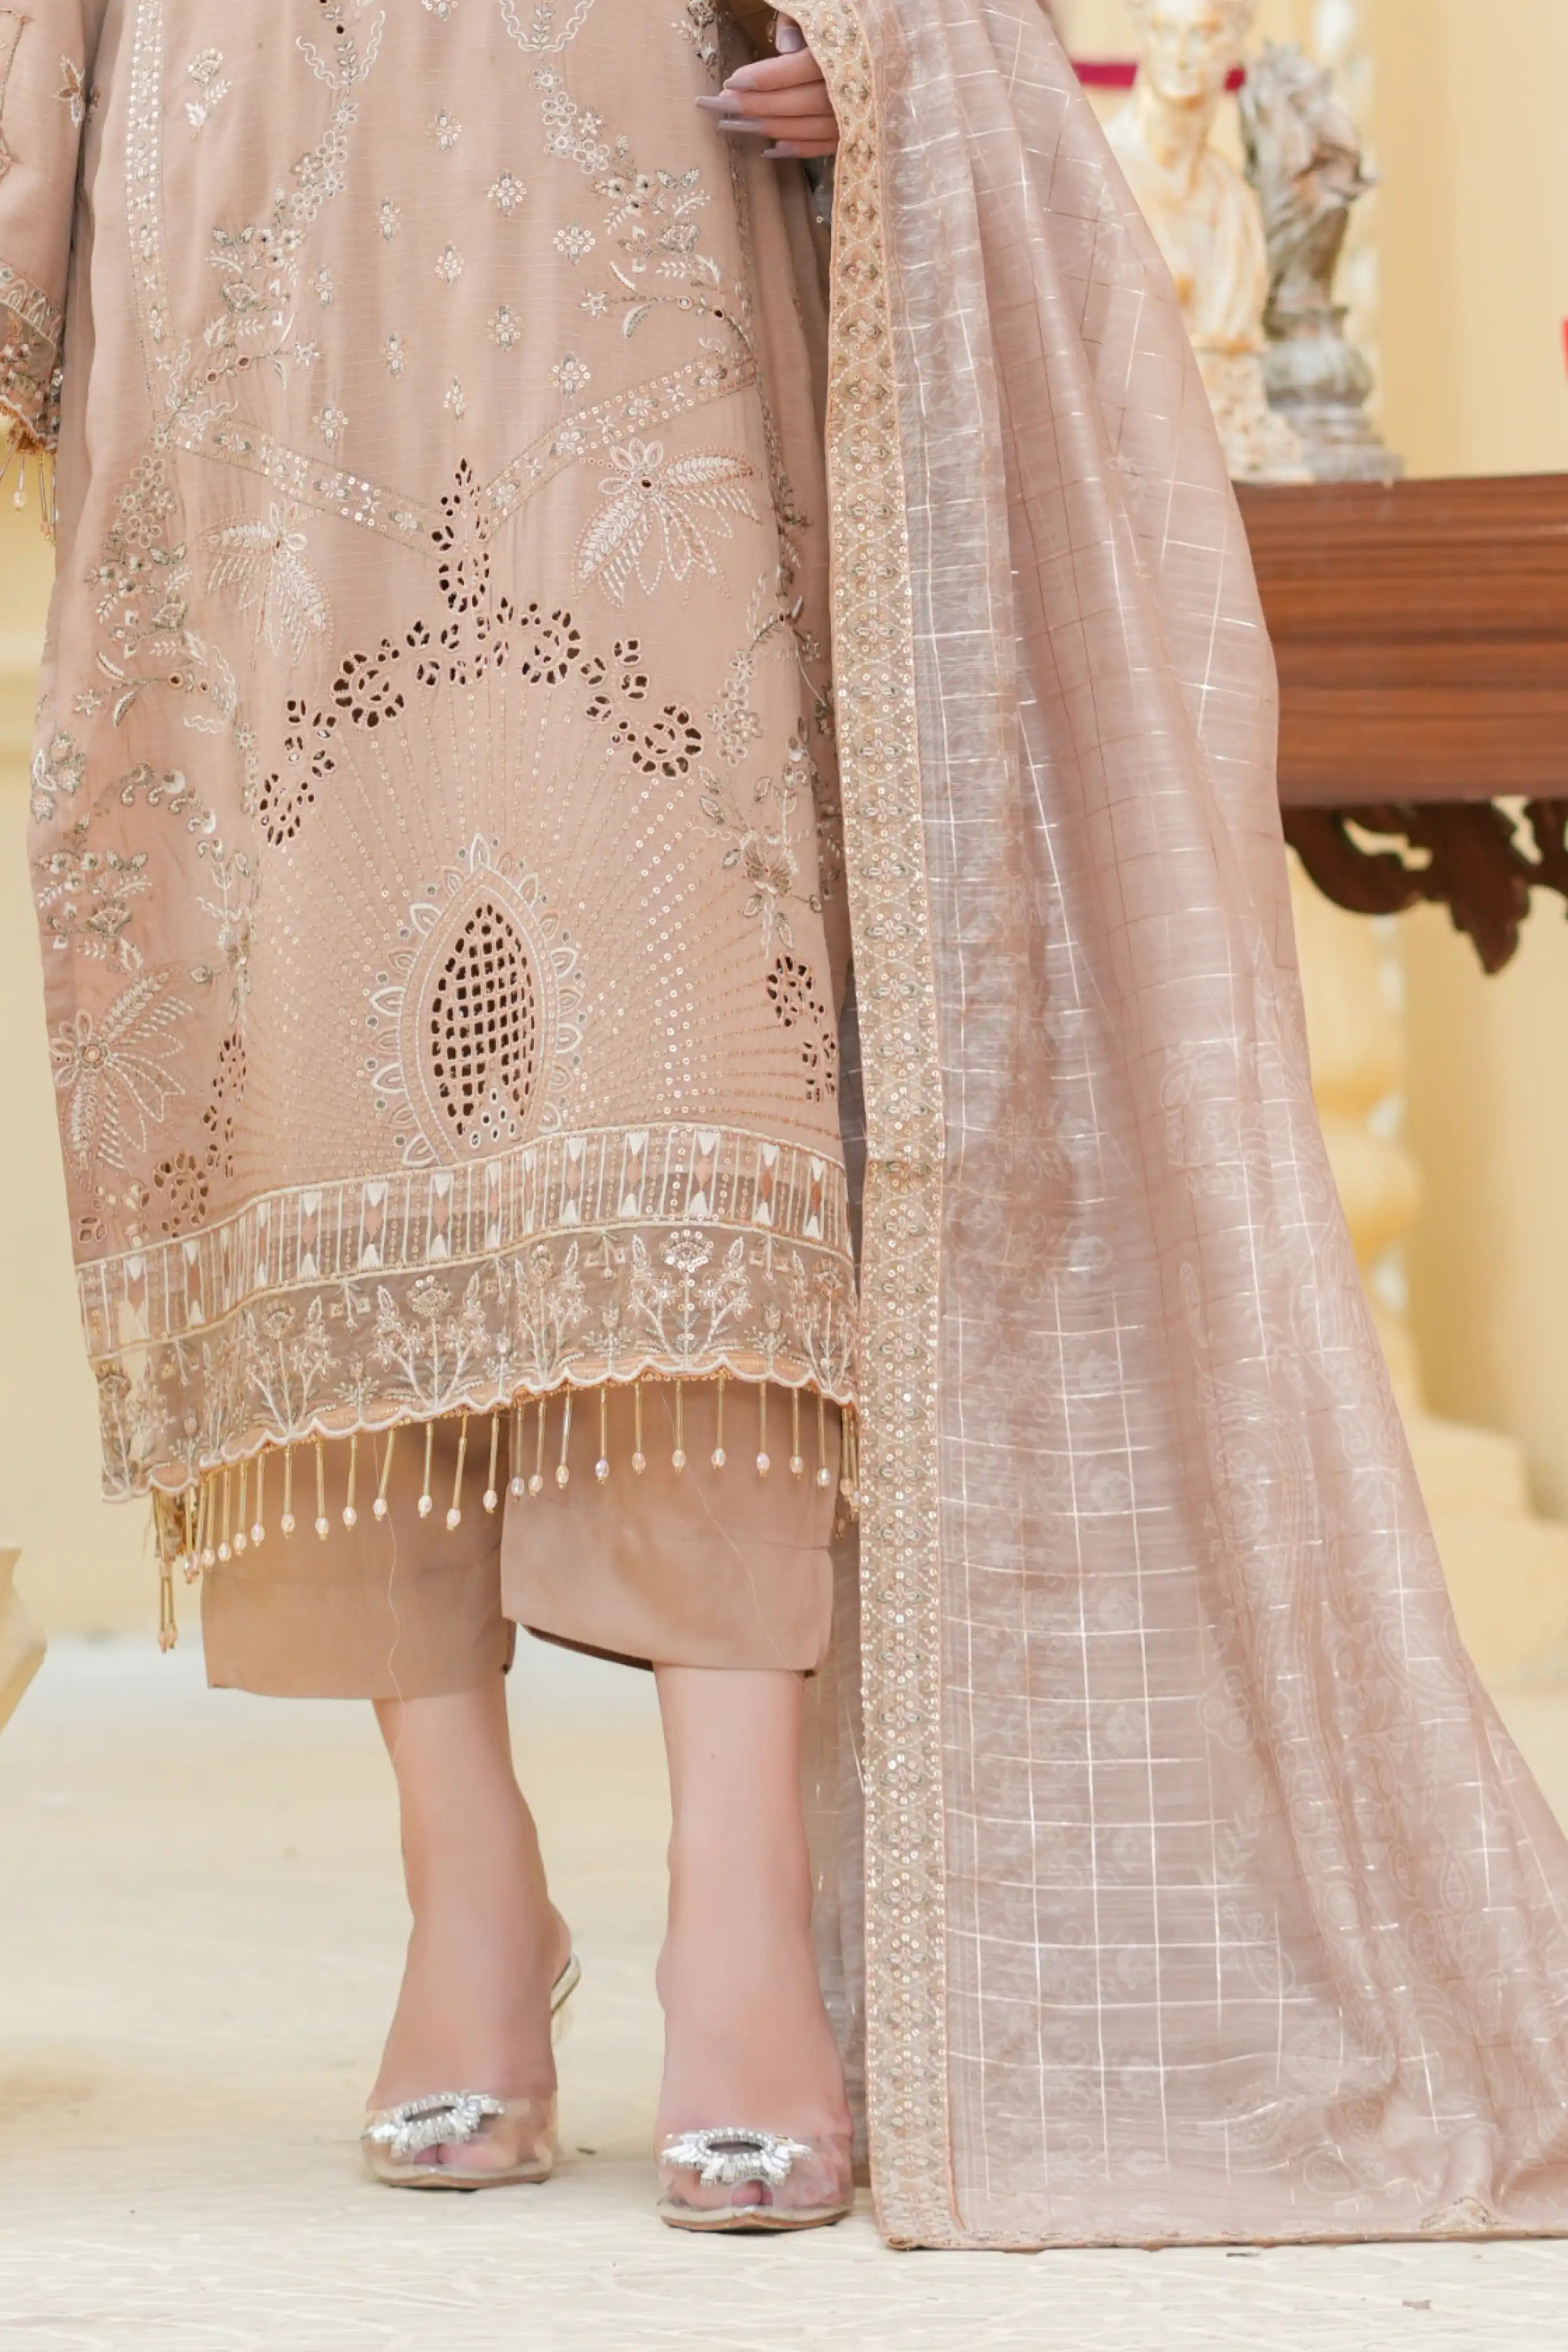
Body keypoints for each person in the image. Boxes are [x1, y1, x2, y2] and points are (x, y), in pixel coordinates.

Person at [10, 0, 1568, 2251]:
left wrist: (908, 43)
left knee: (691, 1041)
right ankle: (463, 1876)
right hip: (235, 168)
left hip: (633, 164)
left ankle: (734, 1899)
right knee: (296, 1065)